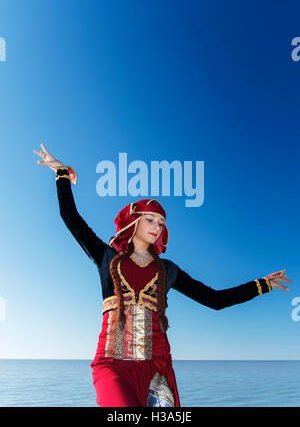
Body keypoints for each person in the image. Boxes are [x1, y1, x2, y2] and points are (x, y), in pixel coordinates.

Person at [34, 143, 292, 408]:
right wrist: (61, 172)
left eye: (161, 223)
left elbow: (215, 300)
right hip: (112, 366)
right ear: (133, 223)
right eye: (150, 220)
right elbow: (70, 217)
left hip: (156, 372)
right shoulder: (107, 258)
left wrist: (261, 285)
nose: (157, 227)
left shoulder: (167, 270)